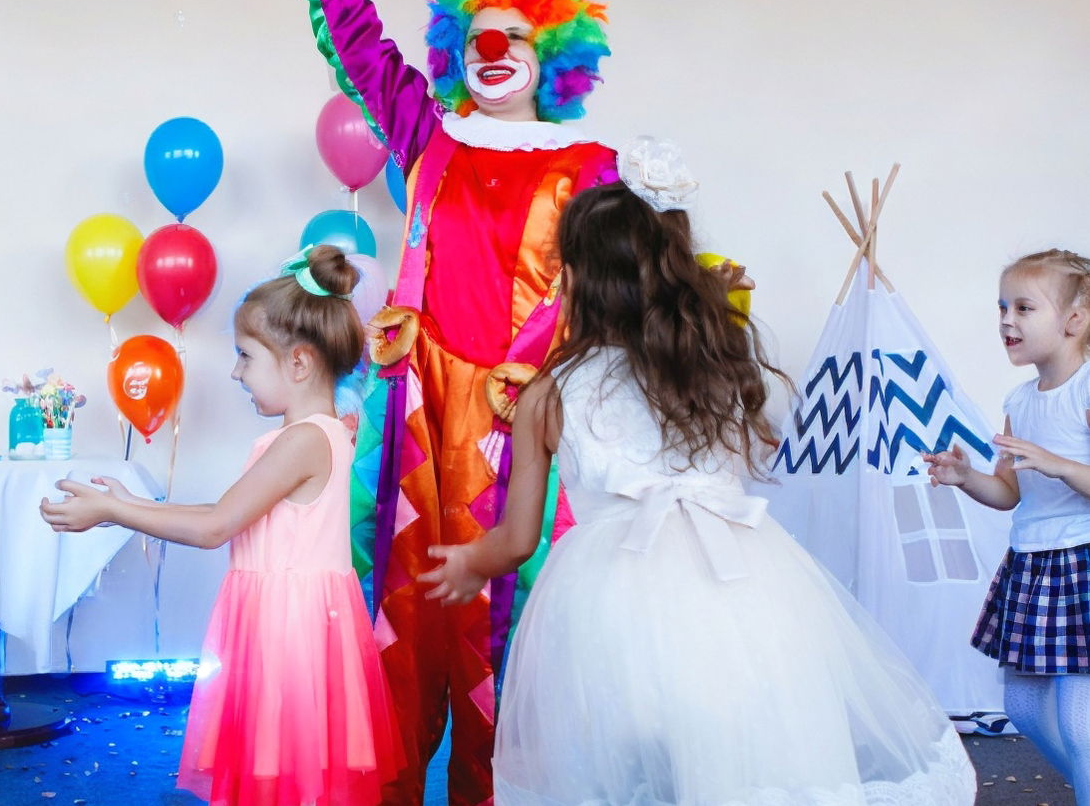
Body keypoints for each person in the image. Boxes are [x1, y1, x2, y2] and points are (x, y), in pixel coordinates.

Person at [421, 146, 977, 804]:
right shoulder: (711, 369)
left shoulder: (549, 392)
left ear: (578, 279)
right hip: (742, 585)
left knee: (626, 768)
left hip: (611, 607)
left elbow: (515, 539)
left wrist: (469, 563)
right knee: (741, 754)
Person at [244, 0, 621, 802]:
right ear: (460, 50)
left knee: (509, 642)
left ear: (555, 57)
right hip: (411, 421)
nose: (494, 49)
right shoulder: (433, 135)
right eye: (480, 37)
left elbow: (616, 294)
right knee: (399, 636)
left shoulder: (593, 163)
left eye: (516, 36)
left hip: (521, 425)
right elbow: (360, 52)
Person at [39, 245, 402, 806]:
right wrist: (132, 501)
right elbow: (223, 514)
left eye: (245, 357)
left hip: (290, 632)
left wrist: (114, 511)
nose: (236, 372)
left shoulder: (304, 440)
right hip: (284, 623)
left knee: (289, 773)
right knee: (282, 769)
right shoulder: (312, 435)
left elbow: (215, 526)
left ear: (299, 362)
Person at [926, 248, 1090, 804]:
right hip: (1033, 562)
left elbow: (1058, 473)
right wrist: (966, 477)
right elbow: (1009, 492)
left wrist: (1060, 464)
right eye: (1002, 307)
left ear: (1074, 320)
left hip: (1082, 559)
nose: (1005, 321)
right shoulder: (1019, 402)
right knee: (1021, 707)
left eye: (1023, 307)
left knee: (1077, 715)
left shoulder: (1087, 390)